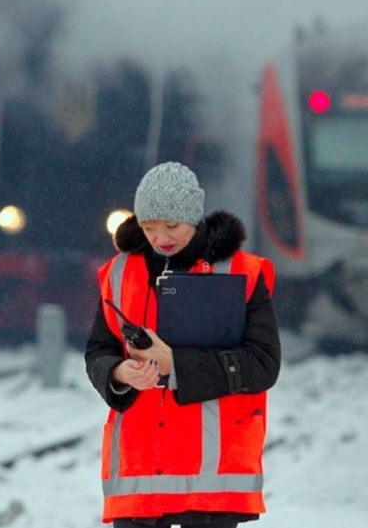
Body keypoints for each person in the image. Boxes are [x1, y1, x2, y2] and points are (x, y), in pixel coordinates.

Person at [84, 162, 282, 528]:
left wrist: (175, 364)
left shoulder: (243, 272)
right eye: (148, 227)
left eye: (171, 226)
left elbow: (263, 364)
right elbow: (99, 350)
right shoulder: (118, 272)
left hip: (211, 482)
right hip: (138, 477)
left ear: (193, 214)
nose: (160, 237)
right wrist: (117, 372)